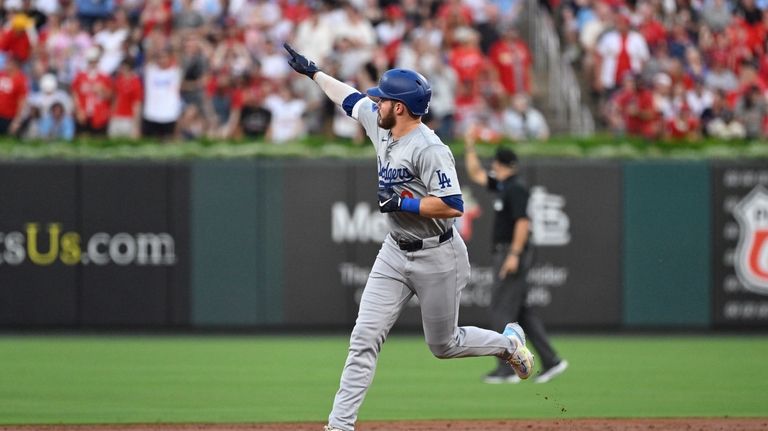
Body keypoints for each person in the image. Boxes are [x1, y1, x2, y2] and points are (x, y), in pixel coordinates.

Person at [284, 43, 535, 431]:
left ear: (398, 107)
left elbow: (453, 203)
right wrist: (314, 72)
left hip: (439, 254)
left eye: (382, 99)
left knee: (443, 345)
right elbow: (349, 98)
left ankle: (507, 345)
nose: (376, 103)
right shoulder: (381, 123)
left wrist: (408, 203)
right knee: (364, 338)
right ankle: (339, 426)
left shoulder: (430, 148)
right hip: (394, 252)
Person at [463, 131, 568, 384]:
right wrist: (469, 147)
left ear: (502, 165)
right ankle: (551, 360)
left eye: (496, 164)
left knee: (501, 309)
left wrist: (514, 255)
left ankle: (506, 367)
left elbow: (522, 222)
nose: (492, 168)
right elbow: (476, 174)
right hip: (508, 251)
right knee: (521, 311)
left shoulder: (516, 188)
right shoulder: (503, 185)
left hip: (512, 251)